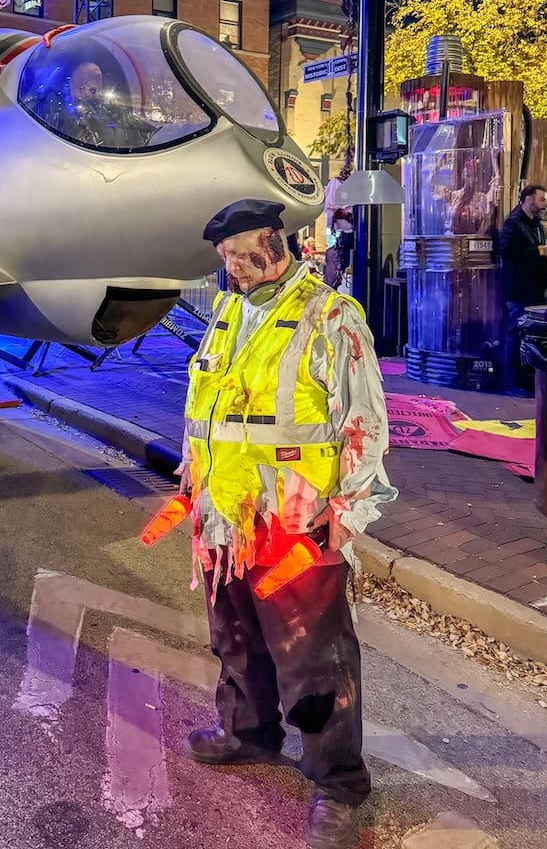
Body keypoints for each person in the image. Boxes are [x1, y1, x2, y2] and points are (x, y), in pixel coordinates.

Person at [180, 198, 396, 849]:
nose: (236, 272)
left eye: (244, 257)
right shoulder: (224, 315)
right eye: (226, 261)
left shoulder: (331, 316)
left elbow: (365, 422)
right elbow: (204, 400)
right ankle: (248, 733)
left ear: (276, 244)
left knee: (315, 663)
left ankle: (339, 784)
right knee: (236, 639)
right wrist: (194, 467)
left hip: (296, 521)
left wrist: (351, 510)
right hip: (226, 518)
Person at [499, 184, 547, 394]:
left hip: (535, 289)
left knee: (530, 336)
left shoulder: (535, 224)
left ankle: (527, 381)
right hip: (518, 290)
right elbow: (505, 252)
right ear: (528, 199)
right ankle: (512, 383)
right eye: (542, 199)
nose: (545, 204)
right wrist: (536, 250)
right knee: (515, 333)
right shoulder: (513, 223)